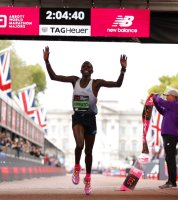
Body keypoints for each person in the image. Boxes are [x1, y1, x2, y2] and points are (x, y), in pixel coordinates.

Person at [43, 46, 127, 195]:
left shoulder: (96, 83)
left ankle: (87, 180)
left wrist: (122, 70)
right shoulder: (74, 80)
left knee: (89, 151)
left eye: (89, 67)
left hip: (90, 119)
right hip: (78, 117)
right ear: (81, 70)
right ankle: (77, 167)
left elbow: (117, 84)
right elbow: (54, 77)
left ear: (92, 71)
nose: (86, 68)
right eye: (84, 66)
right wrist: (47, 61)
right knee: (80, 144)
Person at [152, 90, 178, 189]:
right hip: (168, 135)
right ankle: (171, 181)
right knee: (169, 158)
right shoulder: (171, 107)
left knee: (170, 158)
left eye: (167, 96)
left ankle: (172, 182)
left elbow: (162, 102)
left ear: (174, 96)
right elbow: (161, 109)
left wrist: (156, 96)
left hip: (170, 135)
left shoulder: (174, 105)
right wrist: (154, 102)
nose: (166, 97)